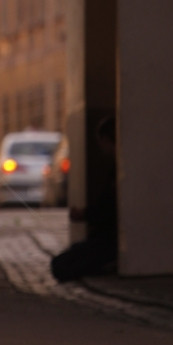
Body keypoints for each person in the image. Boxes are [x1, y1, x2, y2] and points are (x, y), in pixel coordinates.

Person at [50, 116, 118, 283]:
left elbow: (107, 210)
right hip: (103, 238)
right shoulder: (115, 169)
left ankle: (107, 265)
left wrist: (85, 214)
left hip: (107, 241)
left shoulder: (118, 172)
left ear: (106, 139)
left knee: (62, 265)